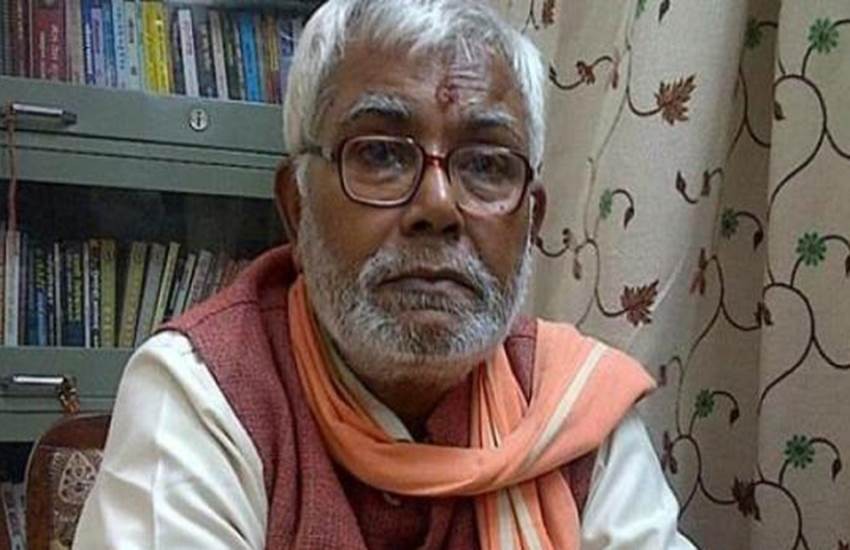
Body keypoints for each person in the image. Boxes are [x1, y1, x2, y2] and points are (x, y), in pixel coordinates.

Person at [74, 1, 696, 548]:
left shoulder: (576, 411)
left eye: (486, 165)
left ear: (531, 221)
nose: (439, 207)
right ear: (297, 208)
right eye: (380, 154)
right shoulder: (207, 390)